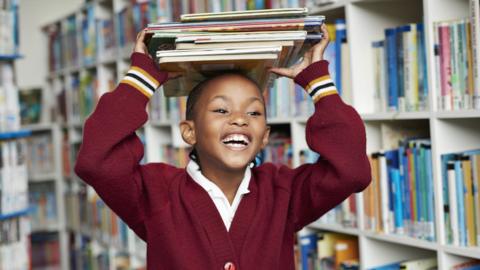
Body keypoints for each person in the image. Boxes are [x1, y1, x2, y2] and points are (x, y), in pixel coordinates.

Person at [74, 24, 371, 270]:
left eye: (254, 113)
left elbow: (351, 171)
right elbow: (97, 160)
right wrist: (140, 81)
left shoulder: (284, 193)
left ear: (265, 136)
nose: (240, 119)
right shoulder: (155, 194)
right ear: (189, 132)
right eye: (221, 110)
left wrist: (318, 83)